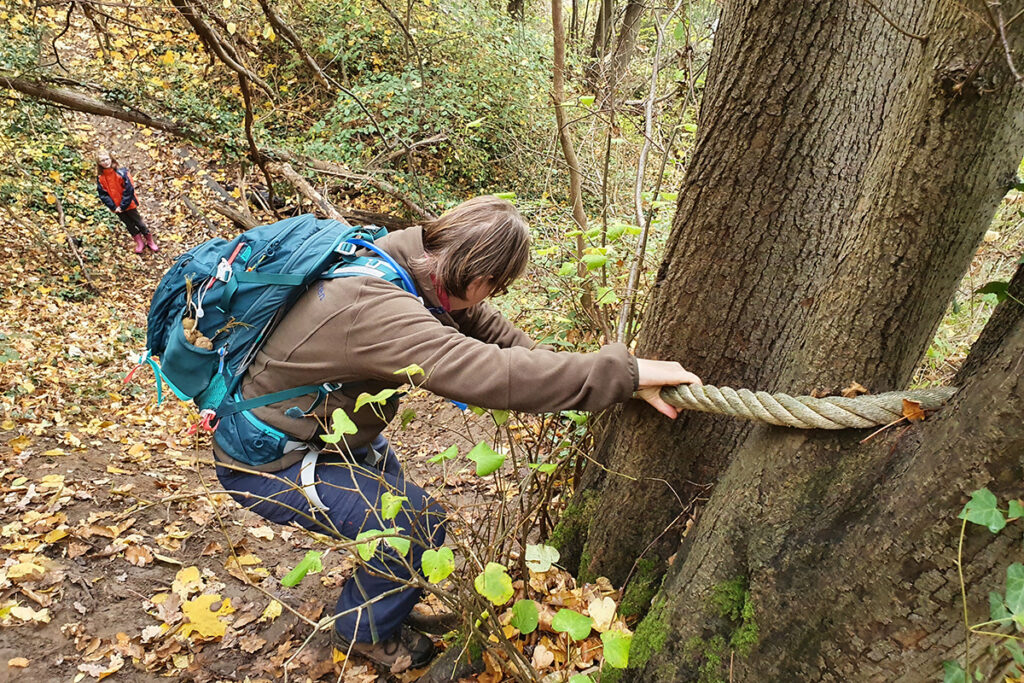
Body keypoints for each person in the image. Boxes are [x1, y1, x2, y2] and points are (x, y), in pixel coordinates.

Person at [212, 196, 701, 668]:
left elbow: (491, 332)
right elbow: (485, 370)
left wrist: (586, 370)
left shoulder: (407, 260)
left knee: (398, 522)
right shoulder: (373, 307)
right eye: (497, 287)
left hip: (325, 432)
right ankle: (361, 632)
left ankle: (386, 598)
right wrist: (623, 373)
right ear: (482, 276)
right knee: (416, 524)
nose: (492, 299)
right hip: (268, 459)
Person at [96, 150, 158, 254]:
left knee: (139, 222)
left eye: (107, 159)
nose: (106, 162)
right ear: (99, 163)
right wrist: (113, 206)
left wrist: (123, 205)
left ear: (111, 158)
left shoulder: (122, 172)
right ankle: (139, 242)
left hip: (128, 204)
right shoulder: (100, 178)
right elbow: (103, 194)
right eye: (102, 160)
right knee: (128, 224)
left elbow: (129, 189)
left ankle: (149, 240)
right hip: (116, 207)